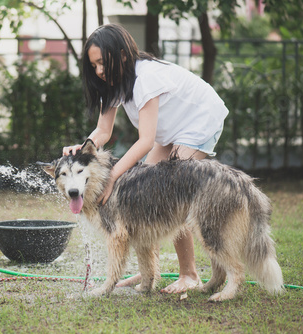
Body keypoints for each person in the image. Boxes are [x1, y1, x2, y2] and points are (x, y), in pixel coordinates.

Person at [63, 24, 228, 294]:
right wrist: (81, 150)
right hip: (171, 129)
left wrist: (114, 176)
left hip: (200, 119)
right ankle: (147, 271)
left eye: (103, 62)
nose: (99, 71)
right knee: (146, 193)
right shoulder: (115, 82)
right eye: (94, 66)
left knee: (171, 190)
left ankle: (190, 275)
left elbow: (145, 141)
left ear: (122, 55)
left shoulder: (145, 78)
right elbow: (103, 131)